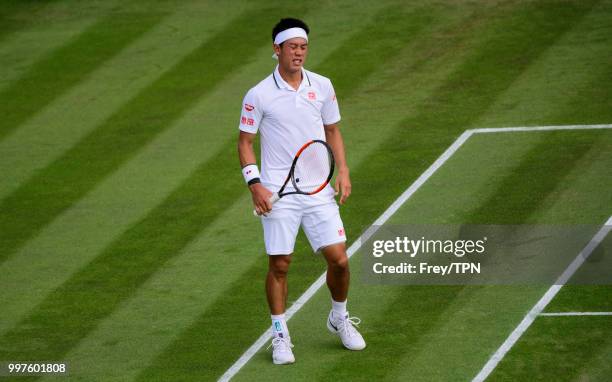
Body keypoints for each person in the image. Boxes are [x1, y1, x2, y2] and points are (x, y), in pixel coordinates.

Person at [237, 17, 366, 365]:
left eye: (303, 47)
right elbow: (245, 142)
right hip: (278, 195)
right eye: (293, 47)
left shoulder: (322, 86)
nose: (299, 53)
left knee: (339, 259)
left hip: (319, 190)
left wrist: (344, 171)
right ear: (277, 50)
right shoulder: (258, 95)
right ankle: (280, 335)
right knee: (280, 264)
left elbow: (333, 131)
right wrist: (255, 184)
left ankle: (339, 316)